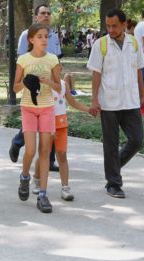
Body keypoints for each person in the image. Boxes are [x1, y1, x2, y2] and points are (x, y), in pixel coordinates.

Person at [86, 8, 144, 199]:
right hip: (109, 102)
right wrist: (94, 99)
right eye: (108, 26)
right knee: (110, 144)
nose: (110, 29)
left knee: (137, 139)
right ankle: (114, 183)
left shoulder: (134, 43)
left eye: (114, 26)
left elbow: (138, 70)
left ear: (124, 24)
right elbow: (96, 73)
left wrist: (143, 94)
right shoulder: (100, 44)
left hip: (131, 101)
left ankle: (113, 166)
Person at [14, 23, 62, 213]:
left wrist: (49, 81)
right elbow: (15, 87)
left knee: (44, 151)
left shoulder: (52, 59)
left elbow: (59, 87)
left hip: (47, 109)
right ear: (31, 39)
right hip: (28, 108)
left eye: (46, 36)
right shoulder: (23, 60)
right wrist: (26, 83)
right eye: (40, 36)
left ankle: (43, 194)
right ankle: (25, 177)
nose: (44, 40)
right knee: (30, 150)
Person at [9, 4, 62, 172]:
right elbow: (23, 61)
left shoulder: (53, 36)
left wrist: (56, 79)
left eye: (48, 13)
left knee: (49, 124)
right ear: (36, 16)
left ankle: (49, 159)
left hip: (50, 84)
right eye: (42, 13)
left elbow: (57, 61)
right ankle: (17, 143)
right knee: (33, 121)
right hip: (32, 86)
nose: (46, 16)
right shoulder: (27, 35)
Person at [30, 73, 91, 202]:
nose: (57, 69)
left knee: (62, 154)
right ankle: (36, 179)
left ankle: (65, 187)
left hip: (62, 125)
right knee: (43, 153)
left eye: (58, 66)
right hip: (47, 125)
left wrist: (88, 109)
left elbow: (72, 102)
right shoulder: (43, 85)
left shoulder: (63, 84)